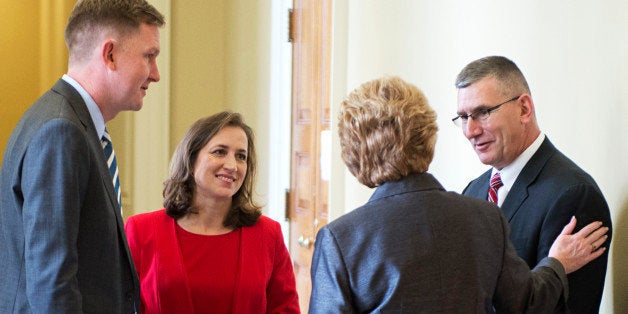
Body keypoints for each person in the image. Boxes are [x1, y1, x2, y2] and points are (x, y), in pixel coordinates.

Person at [308, 76, 609, 313]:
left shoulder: (340, 240)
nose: (470, 130)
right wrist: (556, 264)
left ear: (354, 151)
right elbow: (524, 303)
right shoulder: (484, 215)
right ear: (425, 134)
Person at [0, 0, 164, 313]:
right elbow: (52, 284)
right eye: (149, 56)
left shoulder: (68, 122)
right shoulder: (61, 131)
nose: (155, 74)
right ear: (110, 54)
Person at [454, 56, 613, 313]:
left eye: (483, 113)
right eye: (463, 117)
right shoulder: (473, 192)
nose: (470, 131)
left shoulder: (574, 195)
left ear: (524, 109)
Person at [125, 111, 300, 313]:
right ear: (191, 160)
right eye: (219, 152)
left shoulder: (268, 234)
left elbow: (285, 309)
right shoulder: (141, 230)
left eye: (241, 156)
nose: (232, 165)